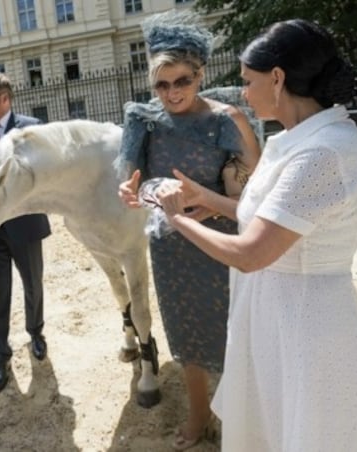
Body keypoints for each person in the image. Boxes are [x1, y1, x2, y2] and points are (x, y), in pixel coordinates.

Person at [154, 19, 357, 452]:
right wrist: (208, 199)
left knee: (306, 433)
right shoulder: (303, 139)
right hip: (275, 313)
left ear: (277, 78)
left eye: (248, 81)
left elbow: (251, 252)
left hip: (304, 323)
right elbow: (275, 218)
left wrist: (177, 219)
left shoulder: (321, 154)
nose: (243, 92)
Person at [117, 11, 260, 450]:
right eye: (163, 84)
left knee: (234, 330)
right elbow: (131, 179)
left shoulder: (224, 118)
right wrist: (127, 187)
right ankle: (199, 415)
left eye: (182, 80)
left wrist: (239, 125)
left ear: (199, 75)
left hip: (220, 242)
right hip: (171, 243)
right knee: (187, 333)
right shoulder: (145, 120)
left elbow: (248, 193)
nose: (172, 92)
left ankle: (241, 415)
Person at [0, 73, 52, 394]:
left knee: (33, 284)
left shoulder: (31, 128)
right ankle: (0, 356)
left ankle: (36, 334)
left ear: (5, 99)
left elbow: (43, 172)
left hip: (25, 222)